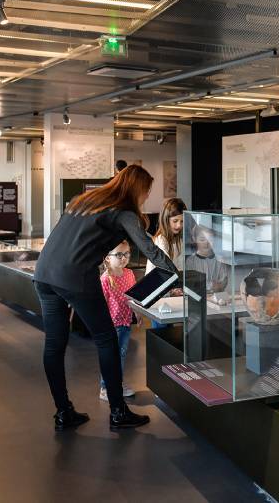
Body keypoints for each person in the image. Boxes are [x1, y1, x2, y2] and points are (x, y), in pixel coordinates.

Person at [34, 165, 176, 431]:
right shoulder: (123, 213)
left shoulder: (85, 201)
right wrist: (176, 273)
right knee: (106, 339)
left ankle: (64, 412)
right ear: (137, 189)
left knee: (54, 344)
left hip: (44, 273)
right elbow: (149, 249)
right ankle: (118, 412)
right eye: (146, 192)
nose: (146, 197)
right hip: (75, 277)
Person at [98, 240, 136, 401]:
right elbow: (101, 305)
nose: (123, 258)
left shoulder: (129, 274)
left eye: (126, 254)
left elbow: (134, 297)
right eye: (119, 254)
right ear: (107, 258)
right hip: (112, 325)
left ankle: (117, 383)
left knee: (120, 355)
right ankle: (105, 387)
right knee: (111, 356)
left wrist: (138, 314)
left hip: (126, 323)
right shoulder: (105, 279)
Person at [147, 197, 186, 275]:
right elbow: (166, 269)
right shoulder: (161, 240)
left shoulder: (180, 240)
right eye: (175, 221)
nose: (179, 225)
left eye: (182, 221)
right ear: (165, 220)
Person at [185, 225, 229, 294]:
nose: (206, 243)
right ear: (194, 239)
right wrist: (210, 285)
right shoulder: (190, 261)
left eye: (210, 239)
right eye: (202, 240)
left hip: (216, 296)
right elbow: (191, 283)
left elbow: (224, 280)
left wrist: (220, 286)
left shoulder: (219, 259)